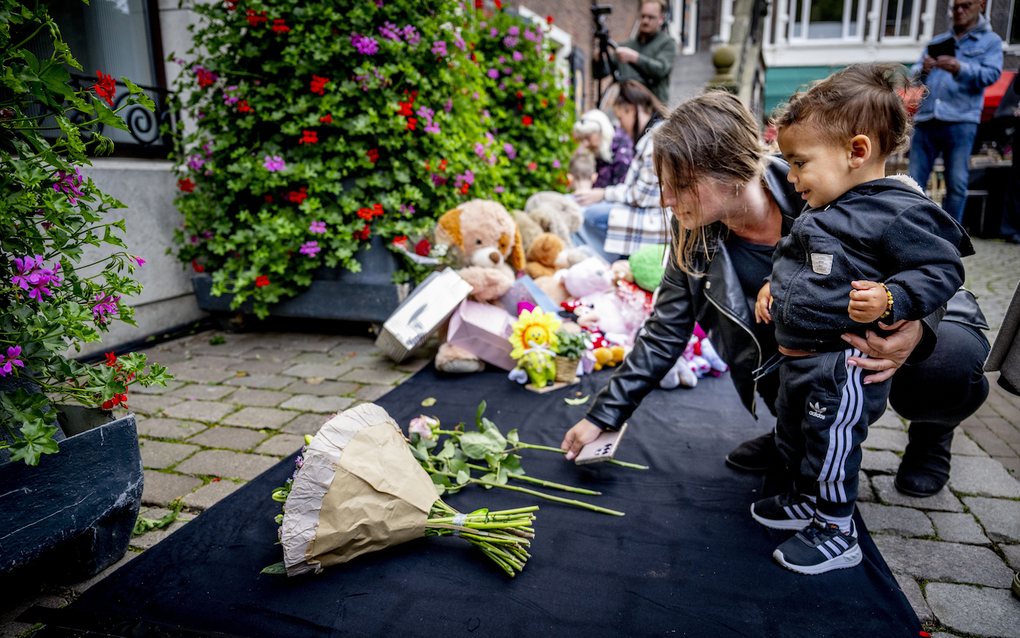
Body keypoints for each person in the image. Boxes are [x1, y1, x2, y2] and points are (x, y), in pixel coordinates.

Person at [559, 90, 990, 566]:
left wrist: (916, 325)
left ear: (728, 168)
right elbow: (665, 330)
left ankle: (931, 435)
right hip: (807, 361)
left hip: (897, 328)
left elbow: (931, 256)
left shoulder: (825, 176)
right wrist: (605, 415)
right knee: (799, 431)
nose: (665, 200)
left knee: (946, 364)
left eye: (678, 184)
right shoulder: (694, 232)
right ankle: (799, 439)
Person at [749, 64, 969, 574]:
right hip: (800, 358)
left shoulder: (896, 212)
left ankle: (837, 528)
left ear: (857, 152)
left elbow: (943, 268)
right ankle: (807, 500)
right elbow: (795, 259)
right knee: (796, 434)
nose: (791, 175)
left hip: (842, 363)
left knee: (831, 443)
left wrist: (894, 298)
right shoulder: (823, 205)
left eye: (799, 162)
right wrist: (771, 288)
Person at [907, 0, 1002, 224]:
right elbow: (913, 77)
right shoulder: (938, 41)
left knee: (957, 184)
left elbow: (992, 75)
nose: (958, 11)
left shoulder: (991, 41)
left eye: (965, 5)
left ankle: (950, 243)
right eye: (955, 6)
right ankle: (911, 231)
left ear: (981, 5)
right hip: (927, 118)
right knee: (912, 182)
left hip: (961, 120)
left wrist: (960, 68)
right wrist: (923, 69)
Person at [574, 80, 670, 262]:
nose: (621, 125)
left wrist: (603, 194)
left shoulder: (655, 140)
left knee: (586, 215)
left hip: (654, 219)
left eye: (620, 118)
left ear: (631, 110)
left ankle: (596, 263)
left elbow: (642, 196)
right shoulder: (653, 135)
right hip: (648, 212)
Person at [610, 0, 676, 106]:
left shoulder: (667, 43)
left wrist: (634, 58)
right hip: (628, 112)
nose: (645, 21)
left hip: (654, 111)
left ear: (662, 19)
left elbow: (661, 69)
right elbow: (600, 72)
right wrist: (598, 57)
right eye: (643, 16)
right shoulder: (626, 46)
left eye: (651, 17)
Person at [572, 109, 634, 189]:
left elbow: (622, 190)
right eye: (582, 139)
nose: (585, 144)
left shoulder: (623, 150)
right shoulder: (602, 150)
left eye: (588, 138)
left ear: (601, 131)